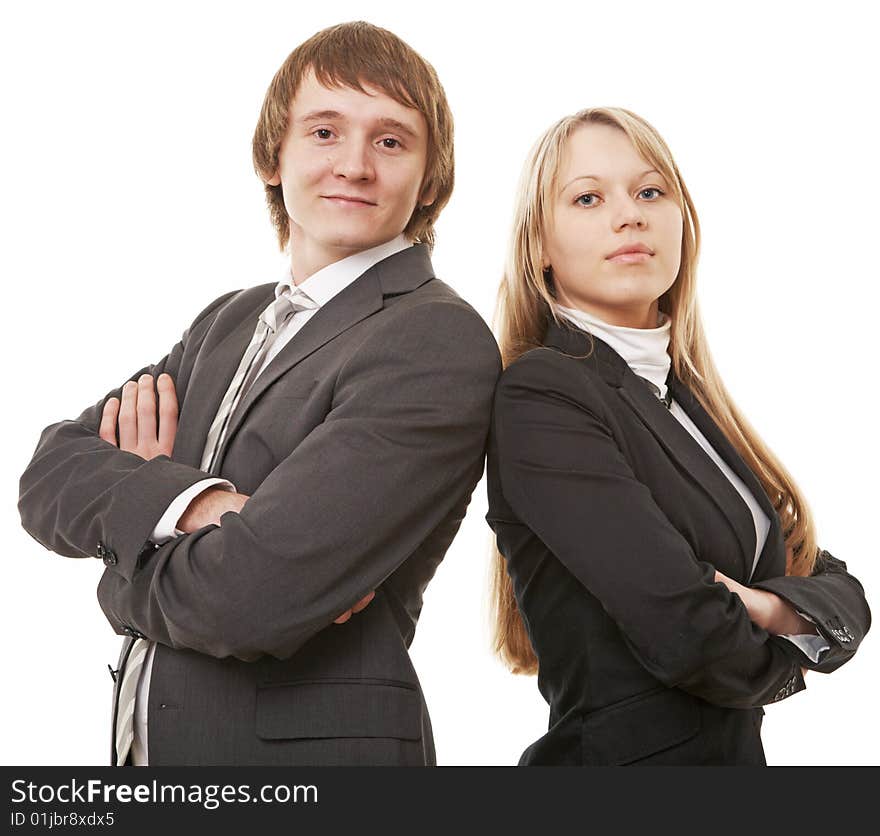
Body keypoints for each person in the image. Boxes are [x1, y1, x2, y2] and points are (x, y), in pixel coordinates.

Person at [18, 21, 500, 766]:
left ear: (431, 179)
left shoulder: (434, 338)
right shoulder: (231, 319)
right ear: (273, 156)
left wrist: (124, 571)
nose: (355, 165)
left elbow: (253, 601)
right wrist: (205, 507)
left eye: (391, 141)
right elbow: (49, 475)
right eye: (324, 131)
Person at [485, 107, 871, 765]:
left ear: (681, 222)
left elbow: (835, 584)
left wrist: (765, 608)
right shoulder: (542, 395)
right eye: (587, 197)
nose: (629, 215)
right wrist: (791, 629)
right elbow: (688, 632)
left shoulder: (681, 398)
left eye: (650, 191)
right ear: (539, 247)